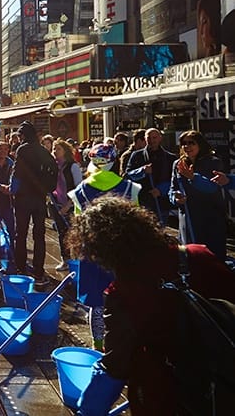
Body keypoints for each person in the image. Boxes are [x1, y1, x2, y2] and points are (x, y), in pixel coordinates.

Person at [69, 197, 235, 415]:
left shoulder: (123, 292)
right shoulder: (198, 254)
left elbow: (116, 366)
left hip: (168, 395)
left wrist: (88, 409)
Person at [68, 143, 141, 351]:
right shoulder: (130, 188)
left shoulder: (80, 192)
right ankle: (123, 341)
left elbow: (78, 223)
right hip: (122, 252)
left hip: (92, 251)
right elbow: (136, 223)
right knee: (125, 297)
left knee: (96, 302)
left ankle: (98, 344)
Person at [168, 130, 228, 259]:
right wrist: (176, 198)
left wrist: (193, 178)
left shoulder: (213, 162)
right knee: (192, 258)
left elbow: (212, 187)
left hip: (210, 218)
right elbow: (172, 188)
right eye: (184, 143)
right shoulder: (178, 164)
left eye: (191, 143)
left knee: (213, 258)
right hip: (188, 218)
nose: (187, 146)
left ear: (200, 144)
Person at [10, 121, 56, 285]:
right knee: (39, 235)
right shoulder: (43, 150)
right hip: (39, 198)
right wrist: (47, 188)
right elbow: (53, 168)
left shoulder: (22, 149)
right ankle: (38, 269)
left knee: (20, 234)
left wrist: (12, 190)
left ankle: (21, 268)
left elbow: (16, 173)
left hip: (23, 198)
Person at [125, 128, 177, 226]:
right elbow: (128, 175)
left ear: (160, 138)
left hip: (161, 202)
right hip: (143, 200)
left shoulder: (170, 158)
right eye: (149, 138)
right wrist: (142, 171)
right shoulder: (136, 155)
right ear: (145, 139)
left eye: (154, 138)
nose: (152, 140)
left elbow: (174, 180)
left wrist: (161, 190)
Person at [49, 139, 82, 270]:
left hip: (70, 205)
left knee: (73, 233)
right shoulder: (52, 166)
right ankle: (66, 259)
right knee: (61, 232)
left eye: (58, 149)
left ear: (65, 151)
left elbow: (79, 188)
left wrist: (68, 205)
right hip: (56, 203)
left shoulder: (73, 166)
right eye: (54, 149)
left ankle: (76, 259)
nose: (55, 151)